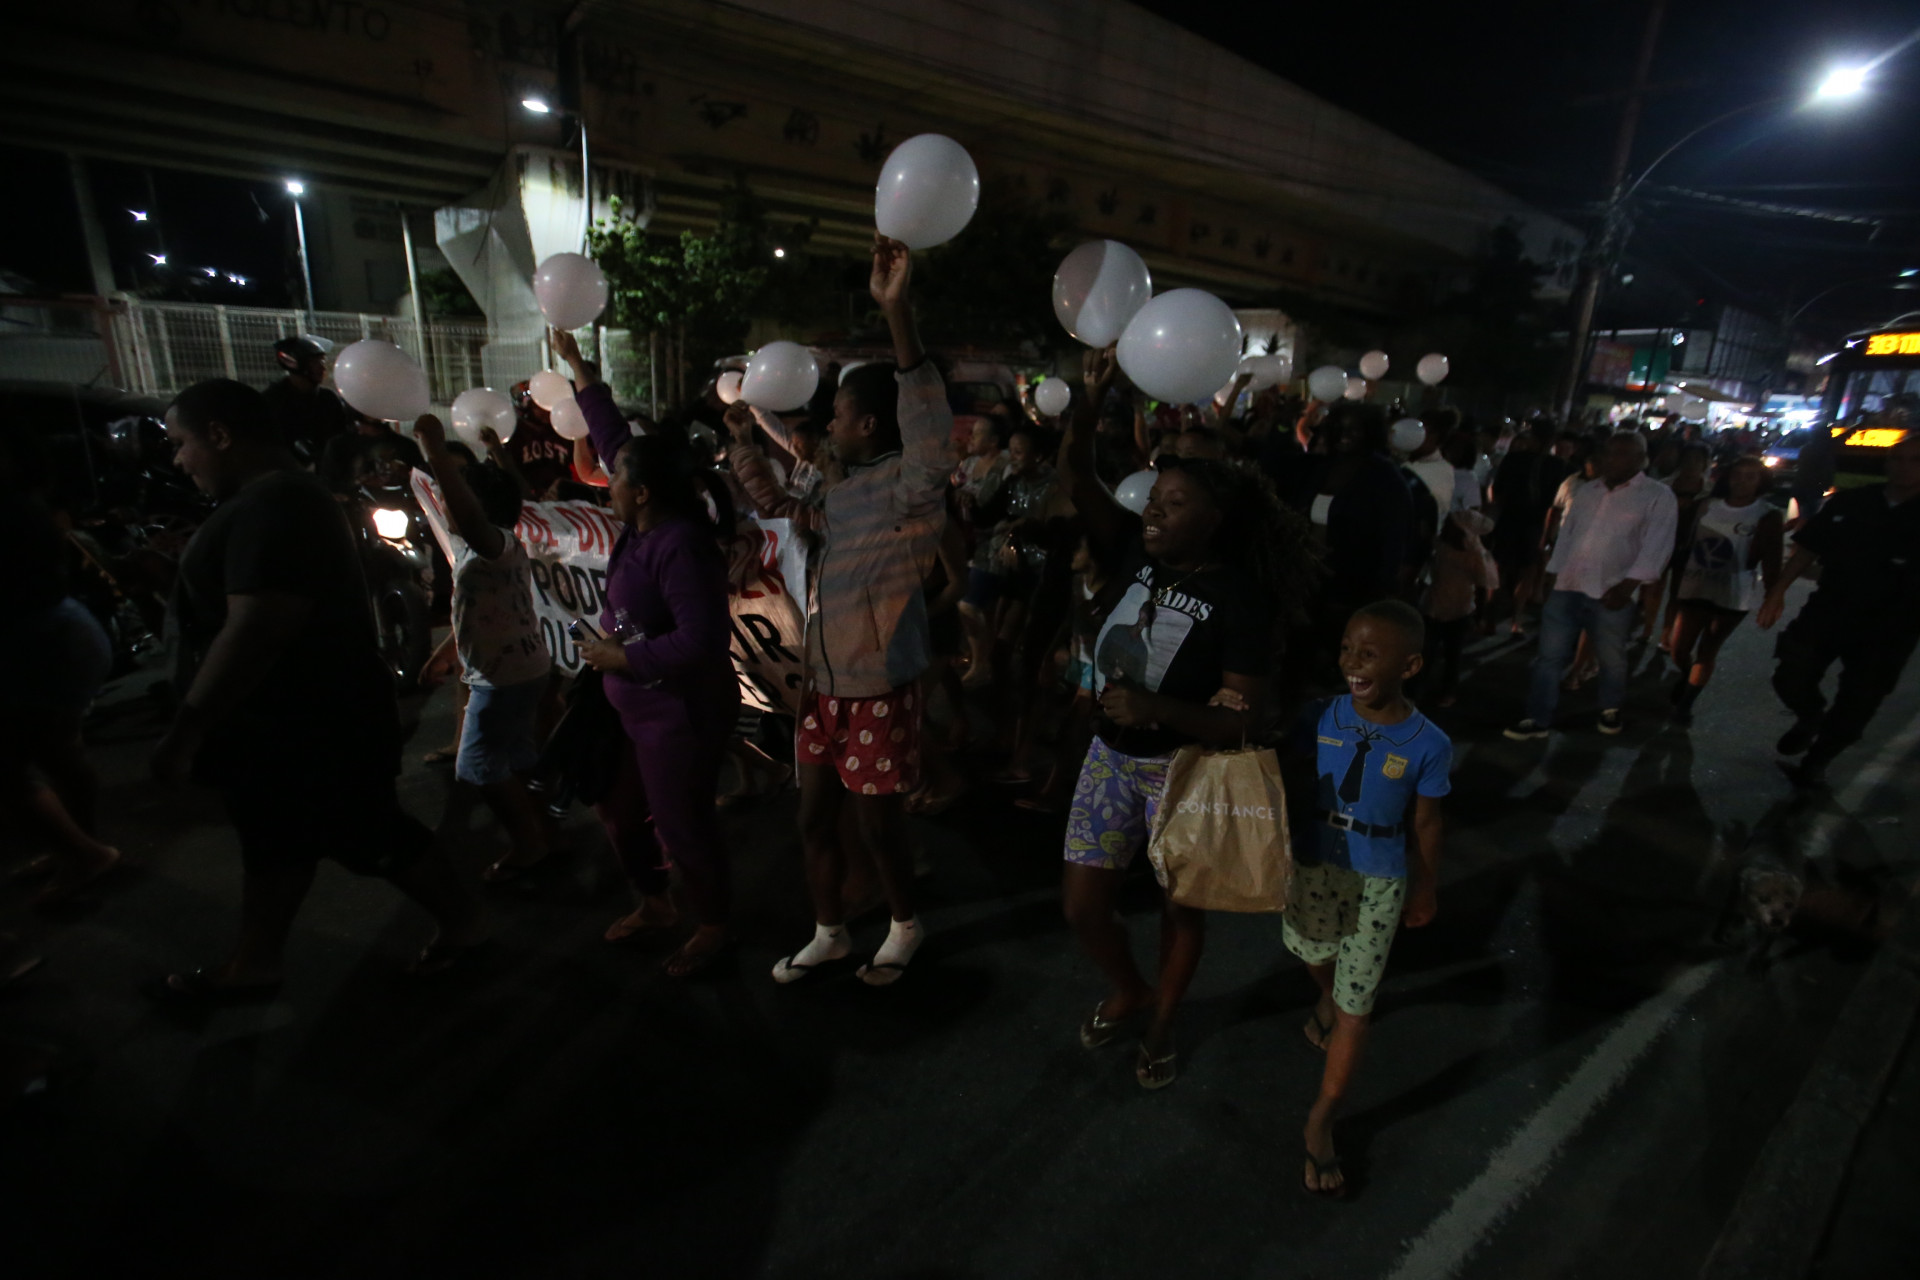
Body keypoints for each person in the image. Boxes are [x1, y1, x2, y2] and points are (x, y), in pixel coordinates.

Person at [150, 379, 484, 1003]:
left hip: (312, 724)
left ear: (221, 435)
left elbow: (257, 625)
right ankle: (255, 962)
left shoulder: (278, 504)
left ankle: (464, 923)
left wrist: (188, 726)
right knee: (281, 845)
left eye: (182, 443)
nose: (178, 460)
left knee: (368, 834)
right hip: (288, 724)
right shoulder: (279, 498)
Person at [1060, 345, 1317, 1091]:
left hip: (1185, 771)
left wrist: (1157, 708)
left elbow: (1245, 721)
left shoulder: (1239, 597)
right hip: (1110, 758)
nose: (1154, 511)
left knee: (1182, 909)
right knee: (1082, 905)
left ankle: (1165, 1018)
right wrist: (1090, 398)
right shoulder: (1135, 556)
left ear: (1214, 520)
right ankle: (1129, 987)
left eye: (1173, 504)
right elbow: (1077, 476)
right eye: (1154, 499)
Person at [763, 235, 952, 987]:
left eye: (839, 413)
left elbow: (931, 432)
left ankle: (905, 923)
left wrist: (896, 312)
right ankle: (830, 931)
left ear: (870, 422)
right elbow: (789, 499)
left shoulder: (910, 490)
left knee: (877, 825)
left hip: (875, 686)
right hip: (824, 685)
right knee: (812, 820)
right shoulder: (837, 489)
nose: (830, 423)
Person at [550, 330, 741, 978]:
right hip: (633, 710)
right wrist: (579, 368)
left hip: (678, 716)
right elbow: (611, 441)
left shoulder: (680, 545)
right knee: (619, 811)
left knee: (685, 826)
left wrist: (625, 660)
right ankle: (657, 905)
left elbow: (703, 640)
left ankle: (713, 924)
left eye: (616, 481)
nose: (606, 483)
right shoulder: (645, 520)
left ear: (644, 493)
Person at [1290, 600, 1448, 1196]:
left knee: (1359, 1007)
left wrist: (1425, 884)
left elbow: (1428, 823)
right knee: (1311, 953)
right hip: (1316, 862)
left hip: (1380, 877)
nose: (1353, 663)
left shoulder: (1429, 743)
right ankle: (1328, 994)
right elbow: (1271, 758)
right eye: (1348, 648)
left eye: (1369, 653)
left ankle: (1321, 1119)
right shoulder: (1320, 715)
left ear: (1409, 667)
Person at [412, 415, 554, 882]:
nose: (445, 505)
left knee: (475, 766)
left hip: (503, 676)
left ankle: (529, 844)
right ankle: (544, 826)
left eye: (454, 497)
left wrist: (434, 451)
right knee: (515, 754)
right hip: (519, 668)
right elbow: (484, 612)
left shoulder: (493, 544)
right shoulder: (495, 548)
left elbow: (470, 517)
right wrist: (449, 652)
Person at [1757, 435, 1920, 786]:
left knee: (1857, 705)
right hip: (1830, 610)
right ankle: (1809, 715)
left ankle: (1816, 763)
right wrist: (1776, 593)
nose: (1905, 467)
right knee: (1790, 673)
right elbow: (1807, 549)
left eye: (1914, 460)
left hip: (1891, 629)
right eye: (1899, 458)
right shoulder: (1854, 501)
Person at [1, 463, 120, 909]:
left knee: (10, 769)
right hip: (62, 632)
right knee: (59, 753)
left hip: (38, 643)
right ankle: (74, 848)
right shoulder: (19, 501)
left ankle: (83, 854)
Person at [1506, 431, 1677, 739]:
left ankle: (1610, 708)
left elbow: (1657, 546)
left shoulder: (1656, 496)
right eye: (1610, 452)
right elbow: (1567, 533)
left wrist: (1628, 586)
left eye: (1624, 454)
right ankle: (1538, 718)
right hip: (1569, 584)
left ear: (1641, 459)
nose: (1613, 459)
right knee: (1550, 656)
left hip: (1612, 589)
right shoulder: (1587, 491)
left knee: (1612, 656)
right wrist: (1553, 572)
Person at [1667, 456, 1782, 725]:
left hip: (1732, 593)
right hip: (1695, 586)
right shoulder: (1705, 506)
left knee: (1708, 650)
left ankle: (1686, 704)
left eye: (1750, 476)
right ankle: (1686, 674)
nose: (1742, 481)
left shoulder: (1766, 514)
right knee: (1679, 648)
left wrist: (1772, 597)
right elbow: (1679, 540)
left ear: (1761, 482)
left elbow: (1772, 559)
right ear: (1727, 478)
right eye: (1737, 474)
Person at [1420, 510, 1492, 708]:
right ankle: (1439, 692)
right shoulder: (1463, 552)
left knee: (1442, 654)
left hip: (1447, 608)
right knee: (1443, 654)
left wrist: (1479, 615)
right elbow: (1481, 586)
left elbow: (1481, 587)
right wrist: (1479, 615)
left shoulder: (1448, 549)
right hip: (1450, 608)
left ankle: (1434, 691)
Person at [263, 337, 348, 464]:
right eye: (315, 362)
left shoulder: (328, 399)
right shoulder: (273, 401)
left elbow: (341, 438)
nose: (322, 368)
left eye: (322, 361)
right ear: (297, 364)